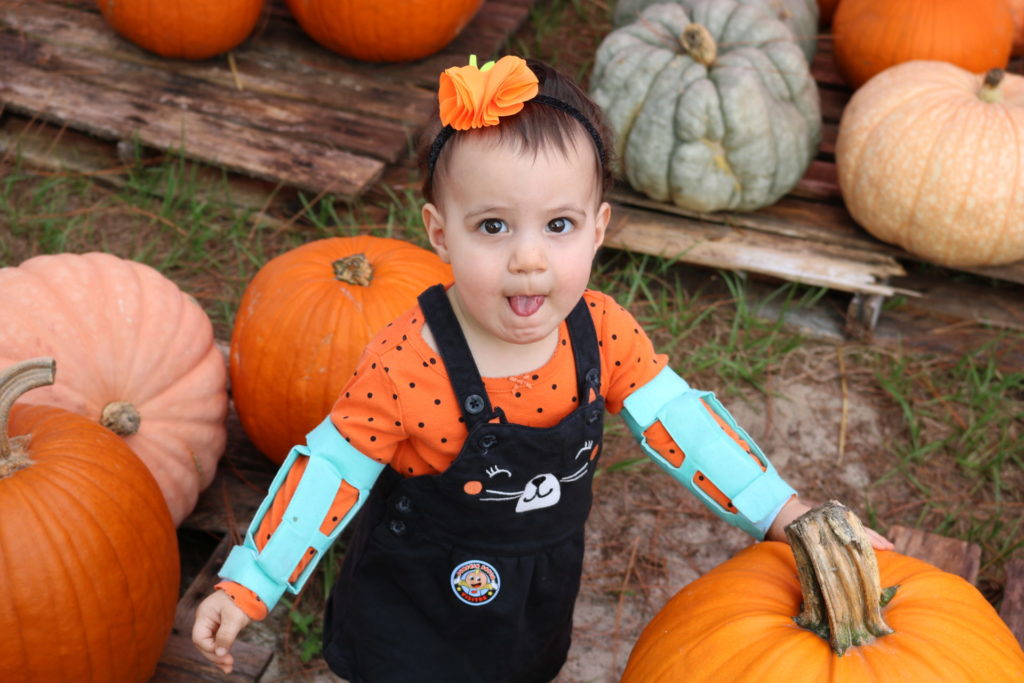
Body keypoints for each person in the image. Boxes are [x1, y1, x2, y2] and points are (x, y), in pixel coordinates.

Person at [192, 55, 892, 682]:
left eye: (558, 225)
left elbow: (685, 424)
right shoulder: (412, 357)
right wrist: (245, 582)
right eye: (493, 226)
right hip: (414, 607)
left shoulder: (603, 334)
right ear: (440, 232)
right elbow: (331, 469)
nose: (528, 257)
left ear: (598, 227)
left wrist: (785, 510)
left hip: (534, 593)